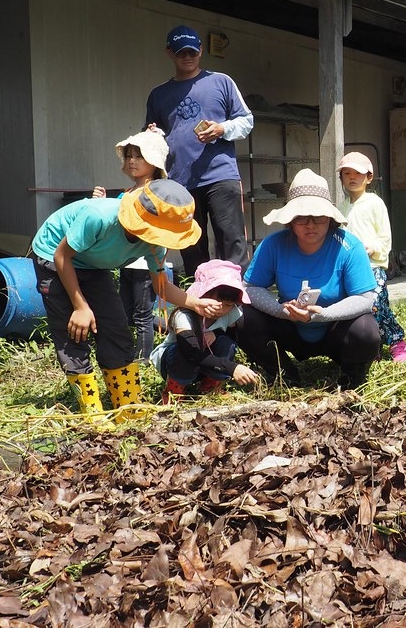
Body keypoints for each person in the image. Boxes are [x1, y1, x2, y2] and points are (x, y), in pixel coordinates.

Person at [32, 176, 222, 425]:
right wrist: (80, 306)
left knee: (115, 328)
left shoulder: (155, 245)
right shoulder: (99, 216)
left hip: (93, 265)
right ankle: (91, 412)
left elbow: (161, 286)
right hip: (55, 258)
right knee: (74, 332)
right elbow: (62, 256)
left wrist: (194, 302)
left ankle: (128, 404)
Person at [237, 168, 380, 388]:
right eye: (302, 217)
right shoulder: (273, 244)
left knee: (366, 330)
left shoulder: (349, 246)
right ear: (291, 219)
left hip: (334, 327)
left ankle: (350, 379)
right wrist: (282, 311)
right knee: (242, 316)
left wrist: (323, 314)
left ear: (330, 218)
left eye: (318, 217)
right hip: (289, 327)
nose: (310, 224)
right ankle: (284, 374)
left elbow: (365, 297)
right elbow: (250, 287)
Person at [145, 24, 254, 278]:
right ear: (169, 53)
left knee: (232, 242)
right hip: (180, 182)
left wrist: (222, 128)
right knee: (191, 246)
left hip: (221, 175)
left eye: (193, 51)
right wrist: (152, 134)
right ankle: (197, 304)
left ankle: (239, 302)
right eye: (181, 52)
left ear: (201, 50)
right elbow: (152, 142)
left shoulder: (221, 81)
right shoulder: (158, 95)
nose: (188, 57)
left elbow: (246, 121)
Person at [92, 129, 168, 362]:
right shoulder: (127, 192)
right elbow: (115, 222)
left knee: (143, 314)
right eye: (129, 156)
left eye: (139, 156)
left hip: (146, 262)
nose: (132, 161)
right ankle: (130, 355)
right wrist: (100, 204)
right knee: (127, 313)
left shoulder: (157, 192)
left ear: (154, 162)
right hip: (125, 261)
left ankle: (144, 360)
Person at [337, 152, 406, 363]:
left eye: (358, 174)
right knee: (358, 309)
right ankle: (372, 347)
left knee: (376, 304)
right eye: (347, 173)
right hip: (350, 269)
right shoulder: (341, 207)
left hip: (372, 266)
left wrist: (374, 248)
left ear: (369, 177)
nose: (352, 178)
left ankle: (398, 342)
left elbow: (385, 236)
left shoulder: (375, 203)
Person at [150, 259, 259, 403]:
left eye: (228, 305)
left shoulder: (229, 313)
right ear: (201, 294)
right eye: (217, 302)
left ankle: (211, 386)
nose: (221, 309)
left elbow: (232, 335)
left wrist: (216, 333)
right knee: (181, 354)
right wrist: (232, 368)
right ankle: (174, 392)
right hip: (177, 362)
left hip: (206, 363)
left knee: (226, 343)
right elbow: (191, 353)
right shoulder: (184, 316)